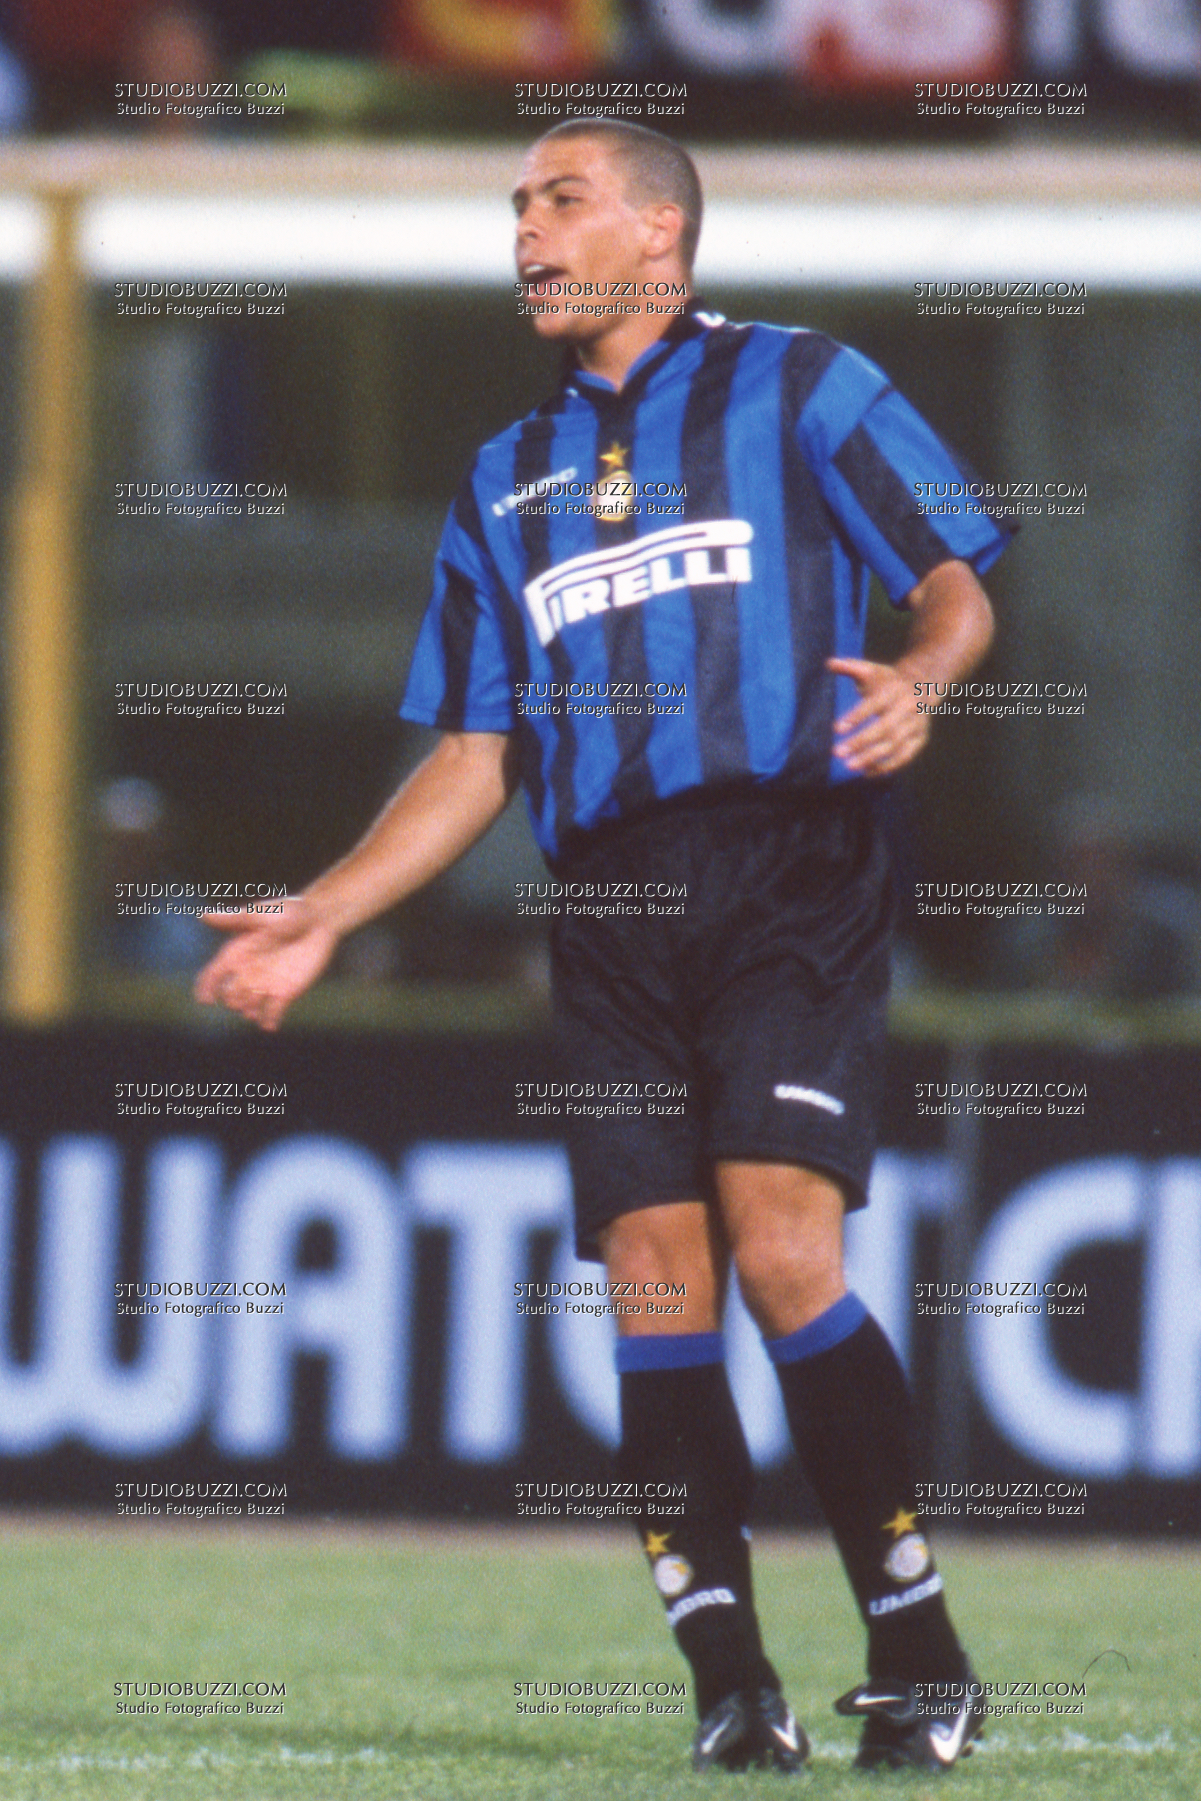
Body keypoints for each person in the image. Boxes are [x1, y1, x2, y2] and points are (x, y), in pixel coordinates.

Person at [195, 119, 1014, 1773]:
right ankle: (730, 1684)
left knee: (781, 1248)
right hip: (614, 903)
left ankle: (919, 1648)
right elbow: (472, 753)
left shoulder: (806, 383)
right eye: (515, 205)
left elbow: (957, 581)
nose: (525, 230)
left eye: (559, 199)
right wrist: (325, 908)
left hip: (790, 861)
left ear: (660, 232)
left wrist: (922, 679)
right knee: (652, 1277)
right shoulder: (504, 478)